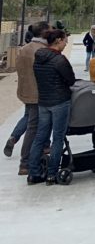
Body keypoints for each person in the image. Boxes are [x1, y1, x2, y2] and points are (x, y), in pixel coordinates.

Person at [27, 29, 75, 185]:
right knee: (58, 137)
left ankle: (33, 173)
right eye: (65, 40)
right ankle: (52, 173)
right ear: (58, 40)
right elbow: (71, 80)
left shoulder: (39, 58)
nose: (66, 43)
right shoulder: (59, 60)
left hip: (43, 101)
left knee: (40, 137)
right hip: (60, 101)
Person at [5, 21, 48, 176]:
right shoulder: (42, 50)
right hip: (40, 95)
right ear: (44, 33)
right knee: (34, 127)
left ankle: (18, 143)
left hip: (26, 92)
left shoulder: (24, 49)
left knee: (30, 121)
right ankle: (26, 162)